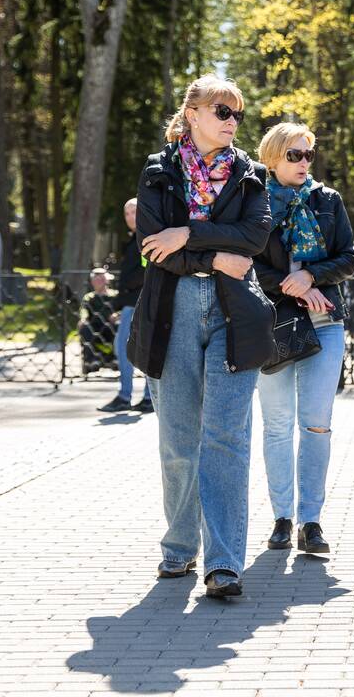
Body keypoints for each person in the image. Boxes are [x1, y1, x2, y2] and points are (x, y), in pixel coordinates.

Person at [130, 75, 273, 598]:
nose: (232, 121)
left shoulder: (251, 174)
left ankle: (224, 563)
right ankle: (178, 547)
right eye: (222, 110)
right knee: (179, 438)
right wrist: (215, 255)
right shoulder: (158, 171)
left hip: (237, 313)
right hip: (174, 308)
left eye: (237, 113)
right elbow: (153, 246)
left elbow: (255, 237)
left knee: (227, 438)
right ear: (192, 114)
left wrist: (187, 233)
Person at [253, 122, 354, 555]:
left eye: (307, 155)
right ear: (273, 157)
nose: (302, 163)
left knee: (316, 425)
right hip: (271, 323)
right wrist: (291, 284)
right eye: (293, 155)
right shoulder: (252, 201)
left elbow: (349, 256)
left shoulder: (327, 200)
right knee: (277, 427)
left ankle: (311, 522)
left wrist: (313, 275)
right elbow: (246, 263)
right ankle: (282, 518)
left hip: (324, 324)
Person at [100, 199, 153, 413]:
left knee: (125, 348)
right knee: (127, 348)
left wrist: (125, 294)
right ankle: (143, 397)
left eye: (134, 211)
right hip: (132, 303)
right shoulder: (135, 240)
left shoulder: (145, 238)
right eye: (127, 213)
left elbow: (147, 270)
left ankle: (129, 396)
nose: (130, 217)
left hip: (139, 302)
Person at [78, 268, 117, 375]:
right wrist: (83, 319)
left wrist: (117, 315)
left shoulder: (114, 295)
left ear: (107, 281)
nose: (99, 282)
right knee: (85, 328)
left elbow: (121, 308)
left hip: (111, 325)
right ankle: (91, 360)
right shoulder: (89, 297)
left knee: (119, 327)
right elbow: (84, 310)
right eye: (96, 280)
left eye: (101, 279)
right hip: (94, 326)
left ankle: (115, 359)